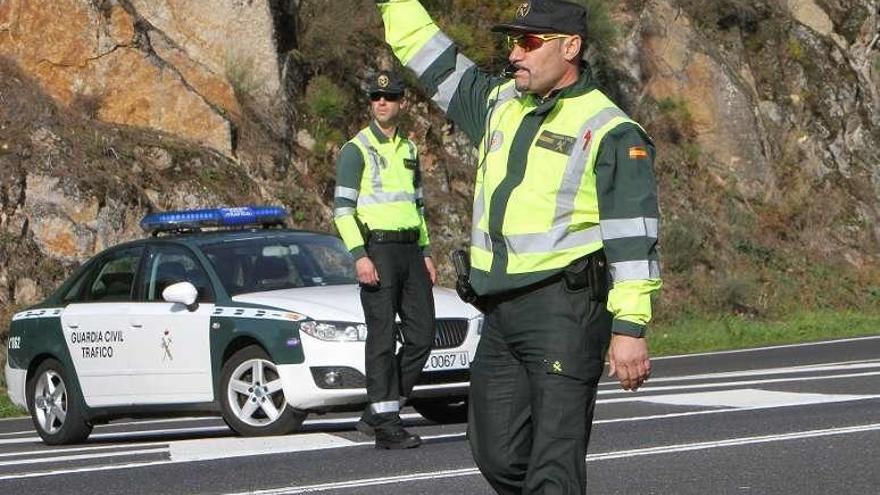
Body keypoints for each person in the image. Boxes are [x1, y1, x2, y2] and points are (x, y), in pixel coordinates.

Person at [375, 0, 661, 492]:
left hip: (565, 311)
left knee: (554, 463)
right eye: (512, 41)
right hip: (500, 312)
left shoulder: (610, 129)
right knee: (497, 452)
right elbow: (427, 52)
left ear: (570, 47)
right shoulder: (497, 103)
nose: (514, 54)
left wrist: (630, 326)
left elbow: (633, 236)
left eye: (529, 42)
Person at [332, 70, 437, 450]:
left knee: (423, 334)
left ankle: (378, 410)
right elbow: (342, 210)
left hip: (410, 250)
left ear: (401, 103)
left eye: (389, 97)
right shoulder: (355, 149)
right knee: (381, 337)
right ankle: (388, 424)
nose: (382, 103)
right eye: (376, 97)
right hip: (376, 250)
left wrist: (425, 252)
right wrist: (359, 255)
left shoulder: (409, 149)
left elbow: (418, 205)